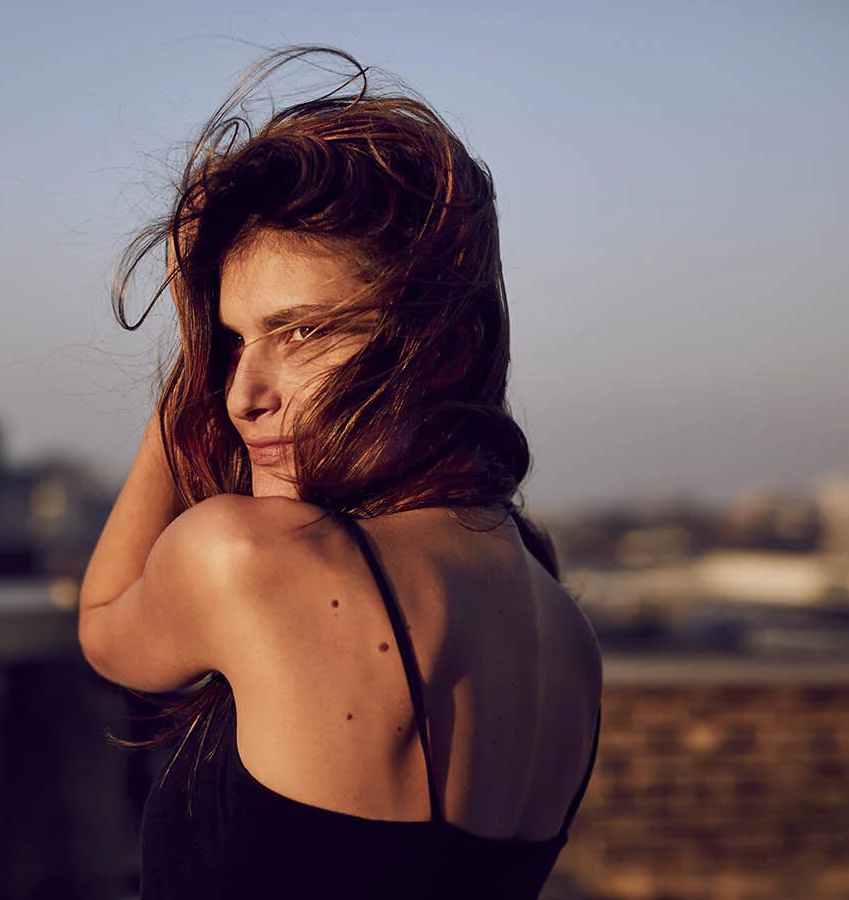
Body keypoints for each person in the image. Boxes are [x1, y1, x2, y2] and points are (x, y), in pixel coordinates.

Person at [79, 47, 602, 899]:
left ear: (445, 347)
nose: (241, 395)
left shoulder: (250, 558)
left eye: (305, 333)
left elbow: (105, 624)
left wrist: (186, 376)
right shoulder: (566, 634)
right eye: (233, 342)